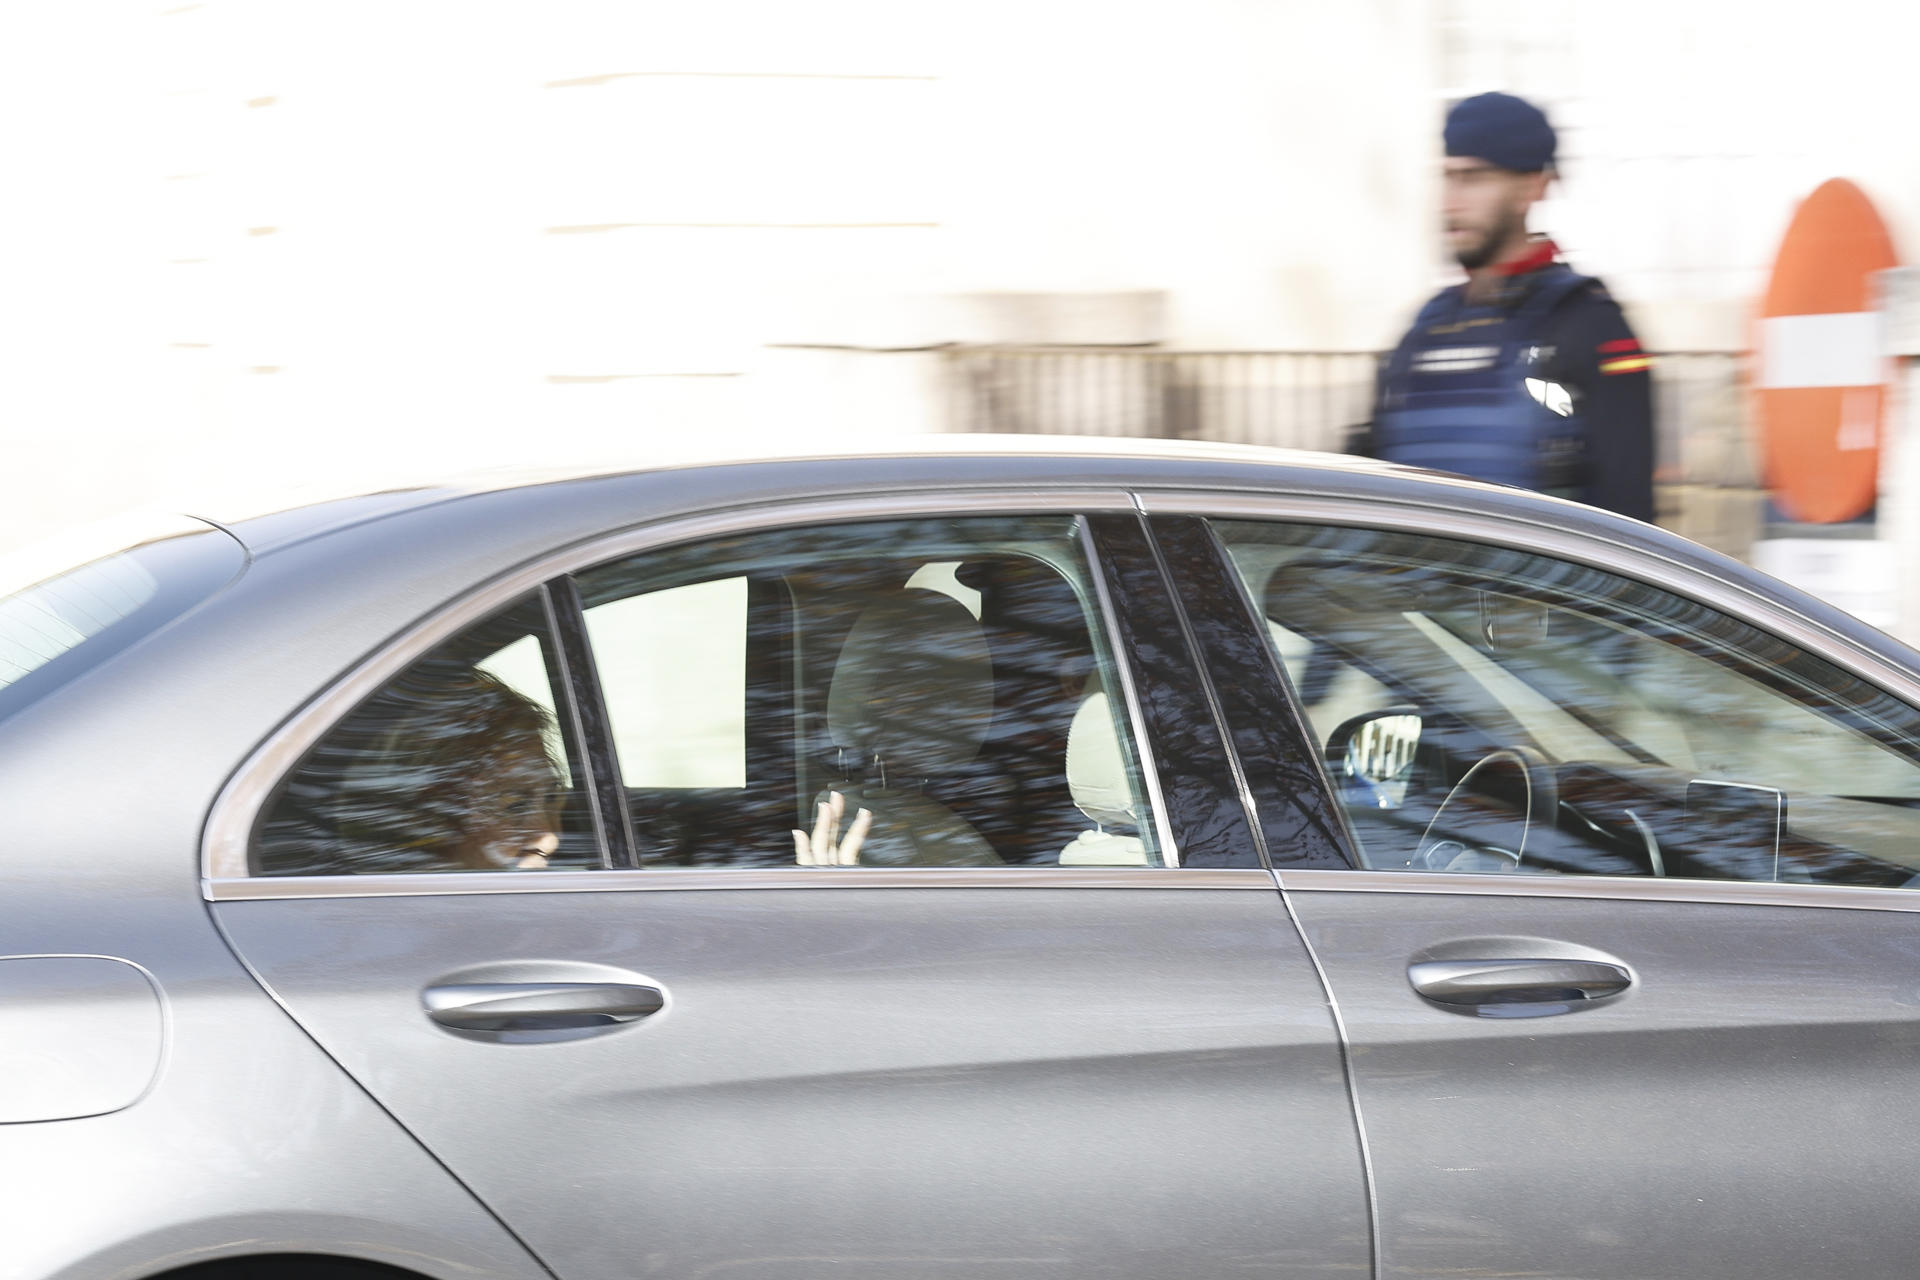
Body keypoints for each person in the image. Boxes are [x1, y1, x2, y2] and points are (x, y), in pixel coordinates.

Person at [1356, 91, 1656, 523]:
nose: (1450, 201)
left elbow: (1630, 519)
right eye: (1448, 177)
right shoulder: (1423, 331)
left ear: (1532, 187)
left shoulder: (1589, 323)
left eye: (1474, 179)